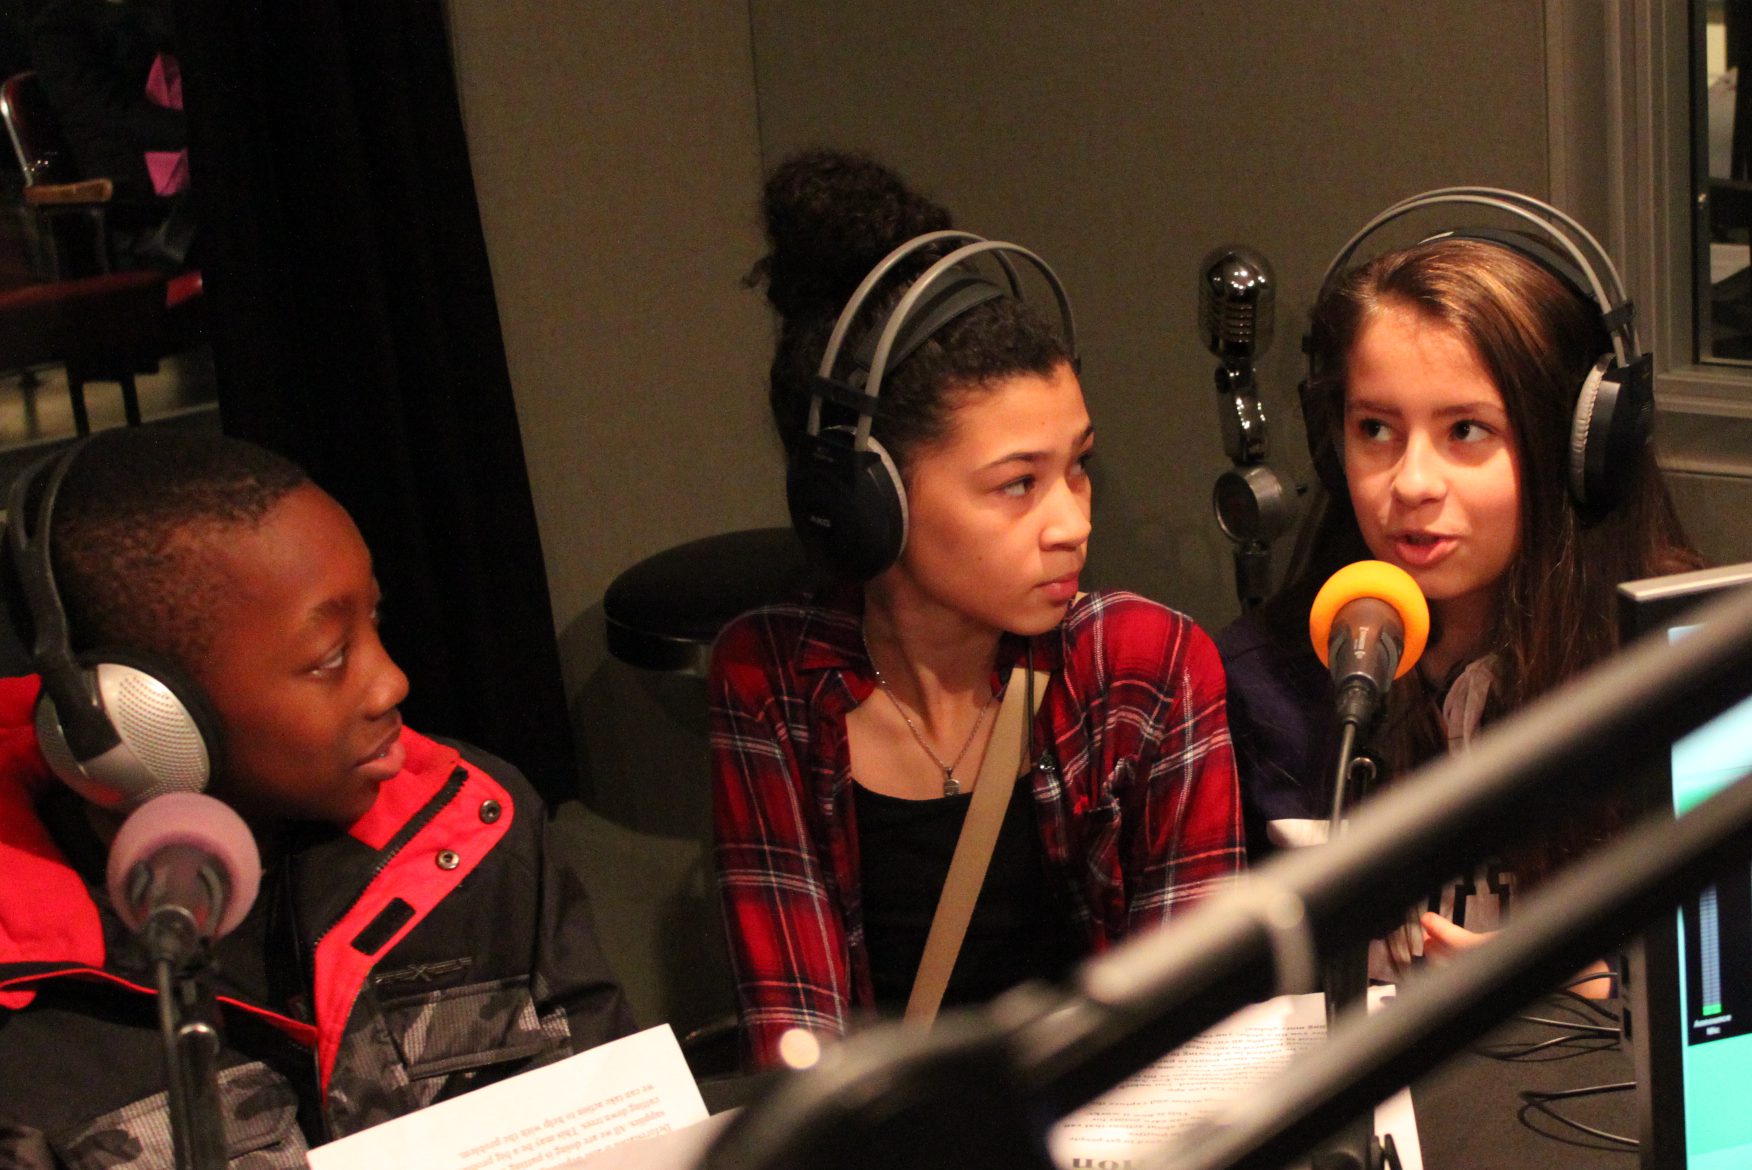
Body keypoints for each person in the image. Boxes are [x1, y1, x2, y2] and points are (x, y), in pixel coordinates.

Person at [711, 149, 1244, 1070]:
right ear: (869, 499)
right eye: (1016, 486)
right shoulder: (770, 684)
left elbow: (1188, 1024)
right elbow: (797, 1043)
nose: (1072, 521)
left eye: (1078, 465)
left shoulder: (1147, 667)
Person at [0, 430, 632, 1168]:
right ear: (140, 715)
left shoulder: (473, 831)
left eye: (377, 622)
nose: (391, 681)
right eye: (329, 658)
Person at [1218, 211, 1702, 975]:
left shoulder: (1683, 668)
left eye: (1467, 432)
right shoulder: (1261, 681)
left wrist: (1594, 983)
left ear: (1579, 448)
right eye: (1375, 428)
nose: (1410, 483)